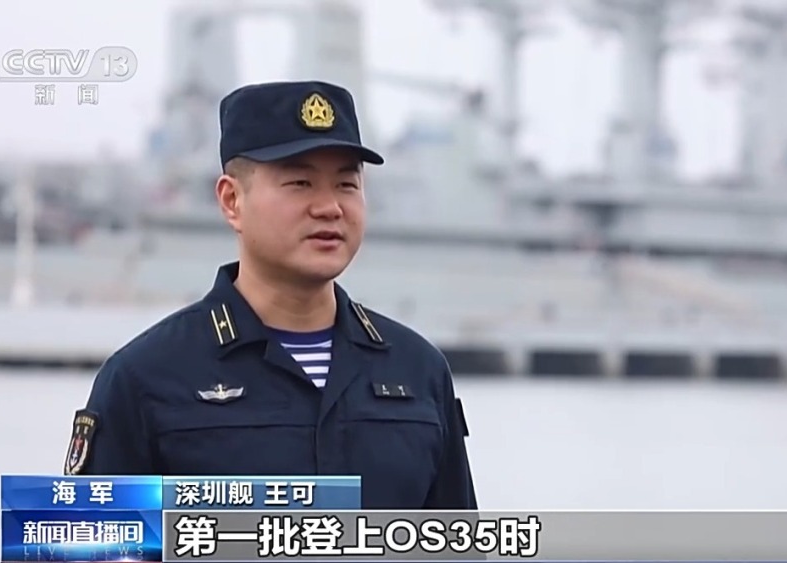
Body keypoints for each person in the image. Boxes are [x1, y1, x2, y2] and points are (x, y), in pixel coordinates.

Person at [62, 80, 477, 510]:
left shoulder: (420, 372)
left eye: (346, 185)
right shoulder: (145, 379)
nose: (329, 207)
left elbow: (456, 540)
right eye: (300, 183)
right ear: (231, 201)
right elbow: (89, 538)